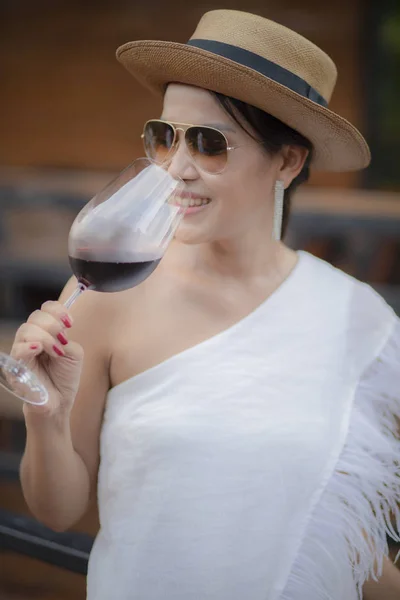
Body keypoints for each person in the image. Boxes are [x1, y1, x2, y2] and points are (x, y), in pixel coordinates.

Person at [12, 9, 400, 600]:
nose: (176, 169)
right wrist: (46, 415)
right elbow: (58, 511)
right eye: (163, 137)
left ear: (288, 162)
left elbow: (339, 527)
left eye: (210, 144)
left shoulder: (358, 320)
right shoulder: (110, 297)